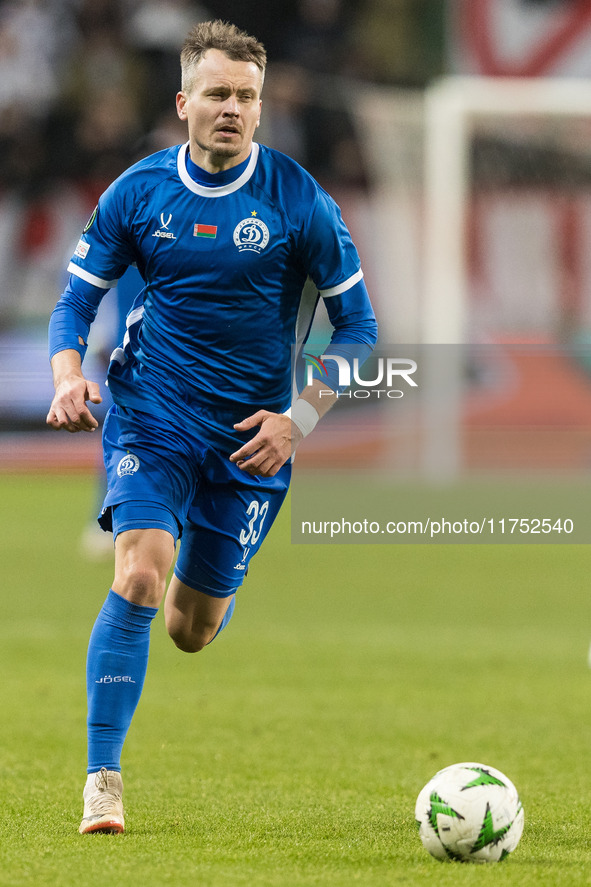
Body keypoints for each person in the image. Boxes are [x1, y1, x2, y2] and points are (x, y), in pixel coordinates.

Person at [46, 19, 377, 835]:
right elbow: (76, 299)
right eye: (219, 93)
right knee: (138, 575)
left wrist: (298, 419)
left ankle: (208, 567)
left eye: (248, 97)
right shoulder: (139, 191)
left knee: (191, 628)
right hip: (151, 415)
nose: (233, 108)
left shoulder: (300, 201)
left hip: (254, 441)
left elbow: (360, 331)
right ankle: (103, 780)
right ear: (184, 100)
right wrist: (66, 373)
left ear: (261, 109)